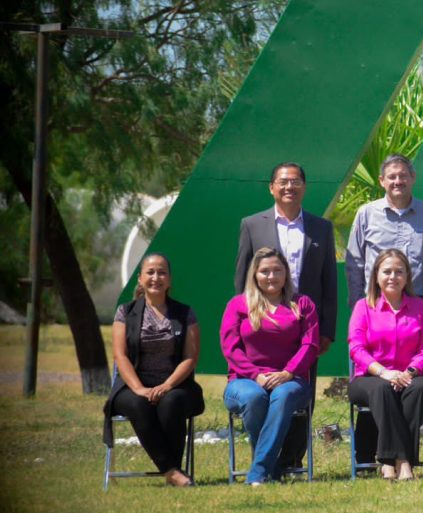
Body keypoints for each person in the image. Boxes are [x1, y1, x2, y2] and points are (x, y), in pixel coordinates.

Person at [234, 162, 336, 467]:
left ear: (304, 186)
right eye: (282, 182)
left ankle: (292, 458)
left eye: (295, 181)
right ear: (272, 188)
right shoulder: (252, 225)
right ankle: (265, 456)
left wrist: (327, 330)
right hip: (262, 329)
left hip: (306, 328)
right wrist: (243, 322)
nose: (289, 187)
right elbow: (242, 280)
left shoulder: (321, 227)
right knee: (263, 394)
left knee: (301, 393)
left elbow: (328, 282)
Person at [103, 253, 204, 487]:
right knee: (139, 404)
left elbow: (190, 358)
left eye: (161, 272)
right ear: (140, 279)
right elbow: (120, 356)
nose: (156, 277)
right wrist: (139, 389)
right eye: (150, 272)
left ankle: (173, 471)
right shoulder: (125, 312)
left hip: (176, 384)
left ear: (169, 280)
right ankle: (172, 472)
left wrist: (167, 386)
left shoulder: (185, 313)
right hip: (132, 386)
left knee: (171, 402)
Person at [221, 247, 318, 485]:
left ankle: (258, 472)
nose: (271, 276)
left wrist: (288, 372)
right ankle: (270, 468)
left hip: (291, 380)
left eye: (277, 270)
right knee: (254, 398)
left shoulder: (303, 304)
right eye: (265, 271)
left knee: (283, 396)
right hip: (243, 381)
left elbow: (310, 344)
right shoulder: (238, 305)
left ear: (286, 273)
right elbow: (230, 348)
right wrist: (256, 376)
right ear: (255, 275)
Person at [347, 249, 423, 480]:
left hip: (410, 375)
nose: (392, 277)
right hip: (370, 378)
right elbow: (356, 348)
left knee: (421, 388)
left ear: (407, 276)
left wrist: (409, 372)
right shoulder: (363, 306)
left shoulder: (420, 307)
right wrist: (384, 372)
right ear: (376, 275)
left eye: (399, 271)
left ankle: (391, 461)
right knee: (383, 388)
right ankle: (402, 461)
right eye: (387, 271)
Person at [345, 153, 423, 325]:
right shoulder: (366, 214)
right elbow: (354, 265)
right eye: (392, 177)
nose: (398, 181)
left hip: (419, 308)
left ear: (413, 178)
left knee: (419, 353)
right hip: (375, 305)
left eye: (403, 176)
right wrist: (358, 308)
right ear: (382, 180)